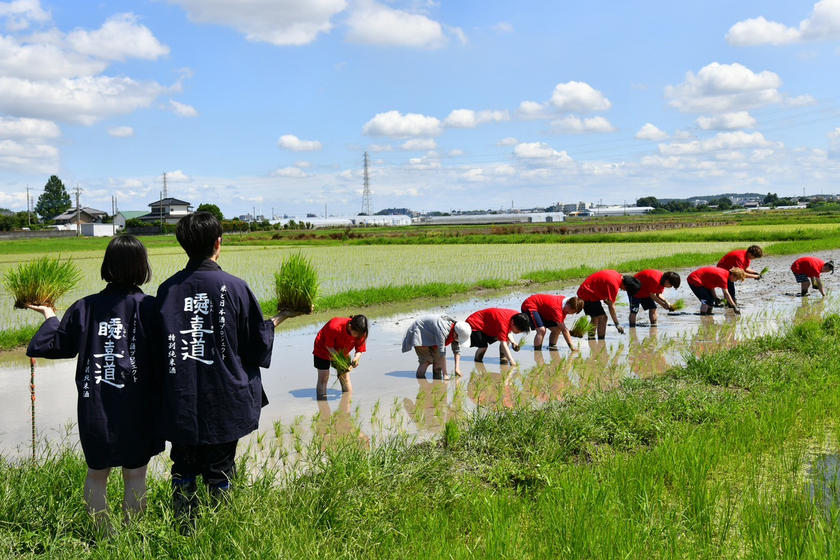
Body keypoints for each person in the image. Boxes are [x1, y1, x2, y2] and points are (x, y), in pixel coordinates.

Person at [154, 212, 301, 531]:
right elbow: (256, 344)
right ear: (218, 243)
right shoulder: (234, 288)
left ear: (184, 245)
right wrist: (280, 318)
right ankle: (221, 532)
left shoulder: (167, 290)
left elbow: (158, 349)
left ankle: (184, 529)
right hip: (224, 399)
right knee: (220, 468)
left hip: (181, 400)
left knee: (183, 467)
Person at [26, 235, 163, 534]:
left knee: (97, 473)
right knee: (136, 474)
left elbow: (56, 346)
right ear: (142, 267)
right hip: (140, 408)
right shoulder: (150, 307)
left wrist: (50, 316)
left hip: (96, 406)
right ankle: (131, 536)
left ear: (107, 265)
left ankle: (102, 535)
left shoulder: (84, 307)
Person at [401, 314, 471, 380]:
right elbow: (442, 353)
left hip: (433, 335)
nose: (458, 340)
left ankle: (437, 380)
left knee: (438, 362)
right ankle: (421, 380)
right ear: (455, 333)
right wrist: (445, 374)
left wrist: (457, 369)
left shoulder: (458, 330)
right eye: (458, 338)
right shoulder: (443, 330)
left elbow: (457, 350)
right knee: (426, 361)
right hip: (421, 331)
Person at [314, 315, 368, 399]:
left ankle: (347, 402)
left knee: (344, 377)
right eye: (356, 333)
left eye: (360, 335)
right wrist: (339, 360)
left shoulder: (361, 333)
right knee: (323, 378)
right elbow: (329, 346)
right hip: (323, 349)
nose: (357, 336)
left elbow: (359, 350)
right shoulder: (334, 326)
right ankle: (322, 402)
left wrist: (356, 358)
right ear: (350, 326)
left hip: (342, 351)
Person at [576, 270, 641, 339]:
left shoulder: (617, 275)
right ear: (625, 286)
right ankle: (601, 341)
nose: (624, 290)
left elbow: (602, 283)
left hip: (586, 290)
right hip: (587, 294)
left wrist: (605, 298)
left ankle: (591, 339)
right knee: (603, 318)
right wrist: (617, 324)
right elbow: (611, 306)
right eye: (626, 290)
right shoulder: (614, 285)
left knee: (595, 317)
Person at [465, 308, 530, 367]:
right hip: (475, 324)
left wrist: (513, 342)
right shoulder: (503, 322)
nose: (518, 332)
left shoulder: (517, 317)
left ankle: (503, 358)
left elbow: (508, 330)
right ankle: (478, 363)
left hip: (488, 326)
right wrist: (512, 361)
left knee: (506, 339)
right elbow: (503, 344)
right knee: (483, 347)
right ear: (513, 323)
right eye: (518, 330)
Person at [520, 294, 584, 351]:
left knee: (557, 329)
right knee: (541, 330)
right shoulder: (557, 308)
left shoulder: (564, 305)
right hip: (530, 305)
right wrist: (572, 347)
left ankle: (552, 347)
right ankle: (537, 351)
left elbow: (561, 327)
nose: (569, 312)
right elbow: (564, 330)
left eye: (573, 312)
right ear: (567, 302)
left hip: (543, 310)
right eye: (569, 309)